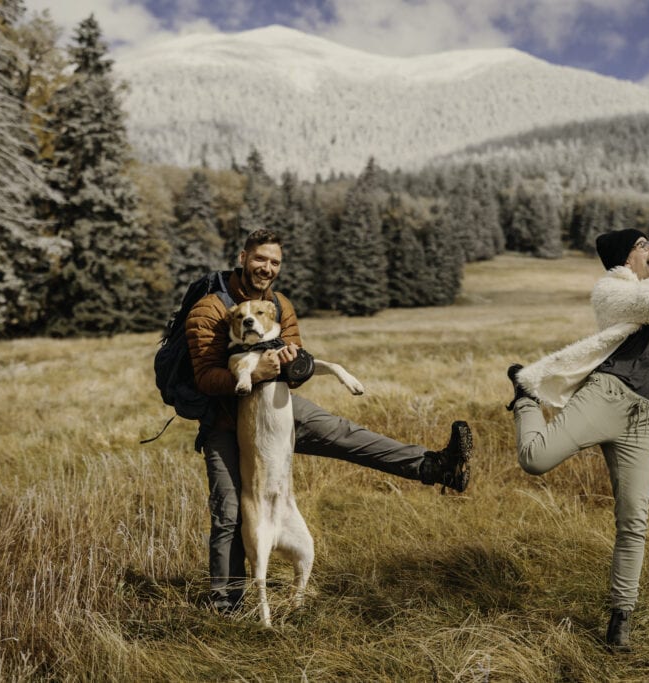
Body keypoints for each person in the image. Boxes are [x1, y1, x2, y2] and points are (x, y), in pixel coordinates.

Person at [186, 228, 472, 614]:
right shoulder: (209, 308)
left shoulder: (279, 304)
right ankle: (227, 609)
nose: (266, 268)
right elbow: (204, 377)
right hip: (225, 422)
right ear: (243, 257)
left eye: (274, 262)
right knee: (229, 512)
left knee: (345, 433)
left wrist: (296, 364)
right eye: (260, 259)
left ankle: (438, 466)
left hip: (278, 405)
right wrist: (253, 374)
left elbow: (298, 363)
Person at [506, 228, 649, 651]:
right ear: (624, 257)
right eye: (643, 245)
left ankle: (620, 620)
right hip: (605, 398)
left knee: (634, 522)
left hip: (647, 417)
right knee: (535, 459)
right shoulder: (612, 290)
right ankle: (524, 395)